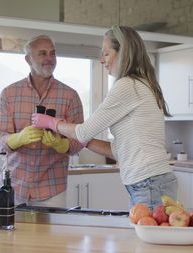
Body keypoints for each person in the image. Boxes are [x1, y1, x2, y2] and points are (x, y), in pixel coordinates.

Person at [31, 25, 177, 210]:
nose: (102, 60)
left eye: (106, 54)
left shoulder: (127, 85)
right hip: (152, 180)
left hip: (148, 182)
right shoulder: (142, 84)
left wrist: (51, 122)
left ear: (122, 53)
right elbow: (118, 150)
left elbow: (83, 131)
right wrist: (83, 142)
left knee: (150, 238)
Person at [0, 35, 84, 208]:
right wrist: (18, 138)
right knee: (10, 235)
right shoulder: (9, 94)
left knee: (50, 236)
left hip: (52, 190)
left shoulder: (70, 97)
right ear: (28, 59)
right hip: (14, 187)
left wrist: (62, 145)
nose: (49, 59)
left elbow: (80, 139)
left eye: (52, 53)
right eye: (42, 53)